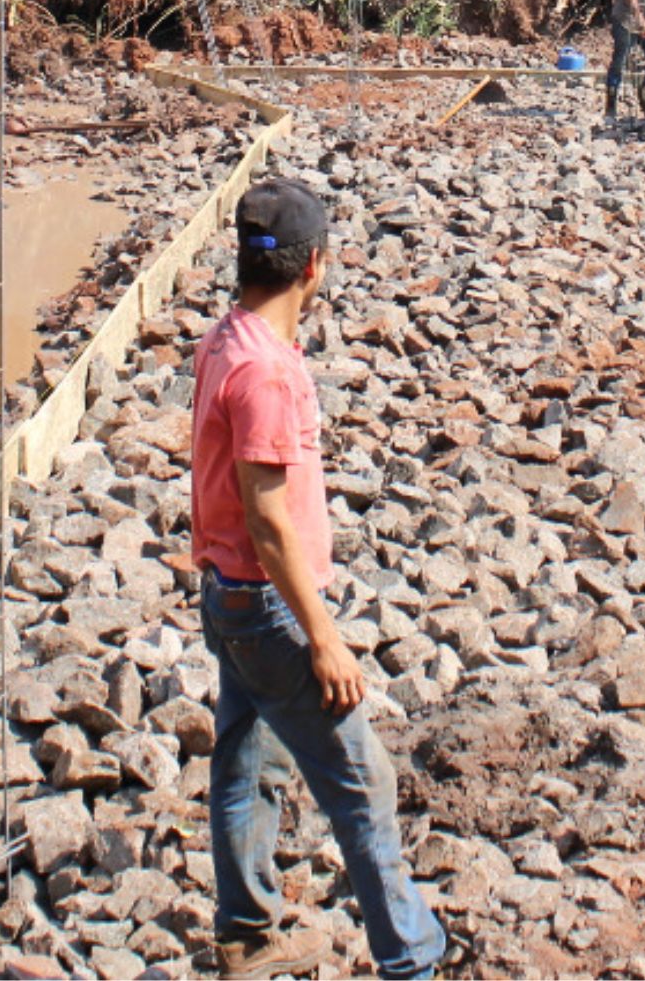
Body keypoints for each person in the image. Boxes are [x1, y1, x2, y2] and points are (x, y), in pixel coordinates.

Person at [190, 177, 445, 981]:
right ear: (316, 267)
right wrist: (325, 640)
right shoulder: (266, 373)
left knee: (244, 762)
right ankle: (412, 956)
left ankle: (247, 934)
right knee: (362, 780)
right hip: (267, 609)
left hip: (227, 598)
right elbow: (267, 521)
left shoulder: (226, 341)